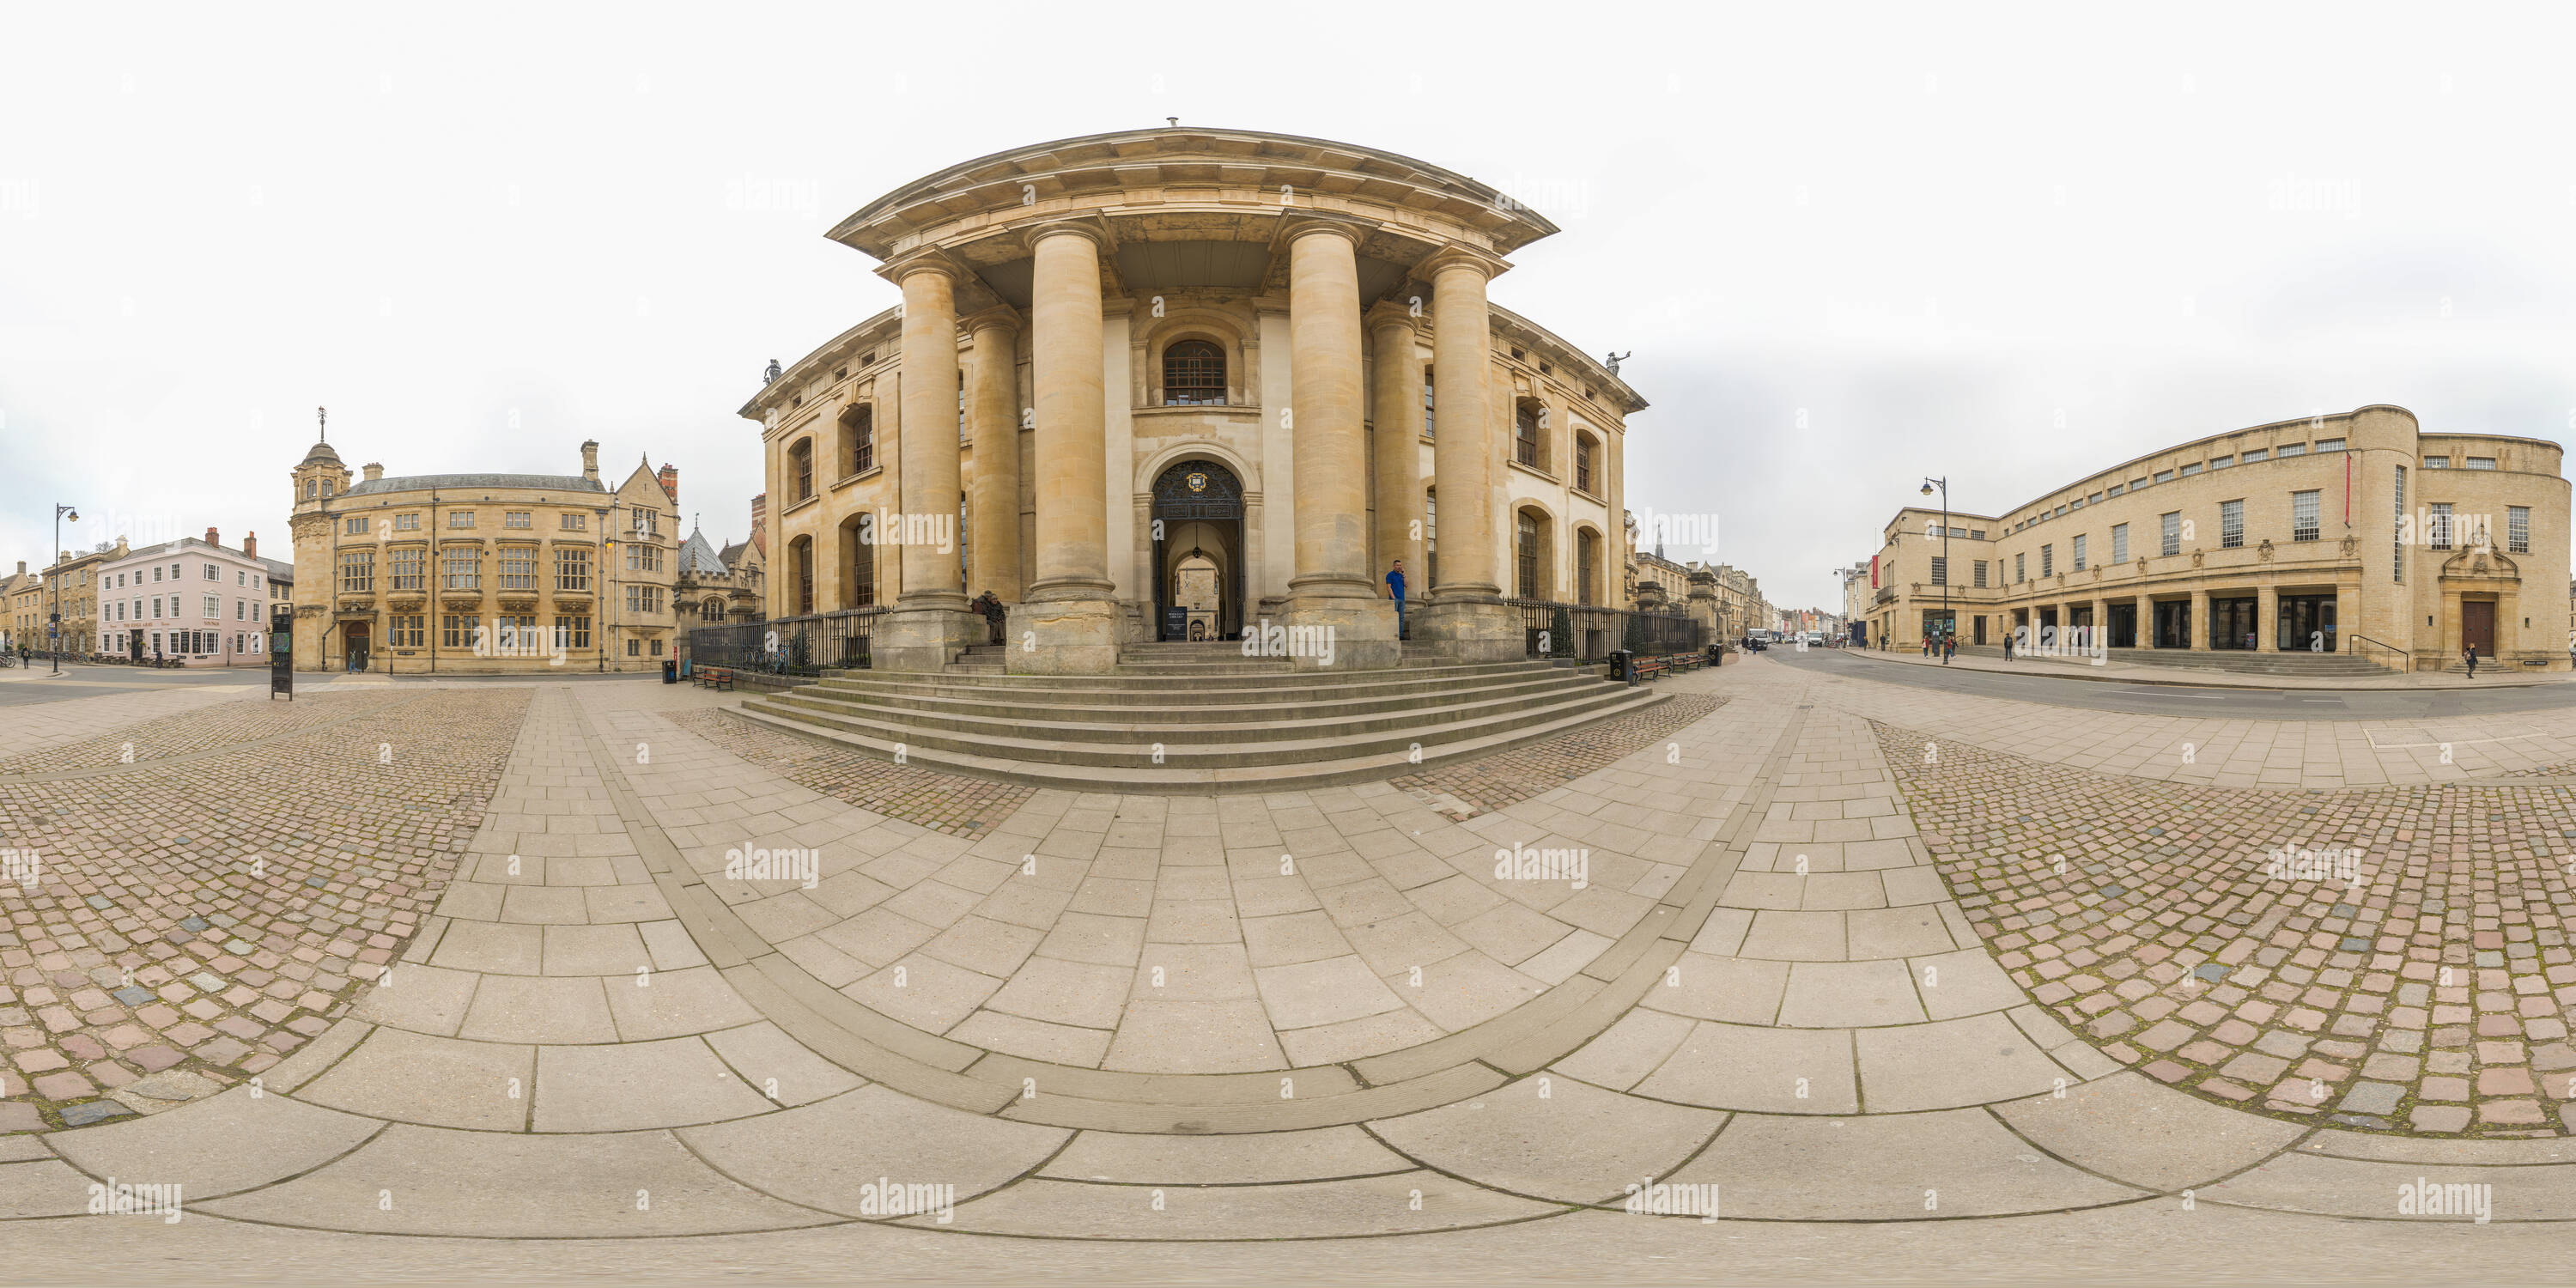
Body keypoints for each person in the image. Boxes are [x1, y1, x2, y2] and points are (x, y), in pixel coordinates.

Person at [1385, 560, 1407, 640]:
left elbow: (1406, 585)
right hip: (1394, 599)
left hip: (1402, 599)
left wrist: (1404, 575)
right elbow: (1388, 587)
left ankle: (1400, 635)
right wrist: (1393, 597)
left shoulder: (1401, 576)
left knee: (1401, 618)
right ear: (1394, 566)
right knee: (1393, 617)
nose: (1399, 567)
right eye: (1397, 565)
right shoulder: (1390, 575)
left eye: (1400, 565)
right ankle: (1393, 635)